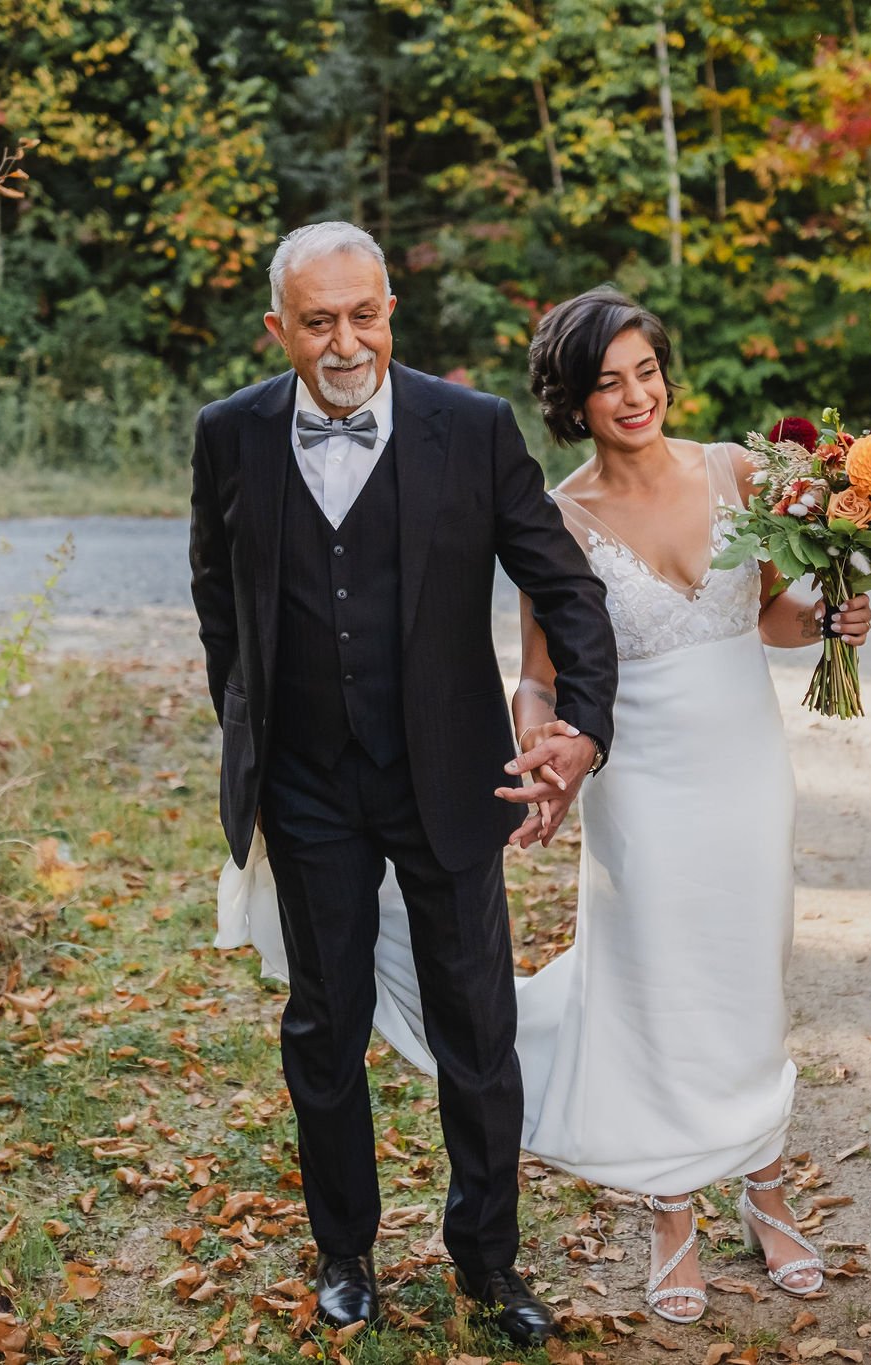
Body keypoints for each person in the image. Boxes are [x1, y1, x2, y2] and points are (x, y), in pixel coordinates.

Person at [188, 222, 617, 1344]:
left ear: (391, 313)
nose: (345, 341)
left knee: (477, 1027)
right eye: (318, 321)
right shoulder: (228, 436)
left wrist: (583, 728)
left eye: (363, 315)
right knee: (322, 1027)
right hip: (307, 787)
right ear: (277, 327)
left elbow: (563, 588)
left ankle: (486, 1262)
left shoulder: (469, 429)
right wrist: (251, 732)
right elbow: (216, 599)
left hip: (446, 775)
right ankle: (345, 1256)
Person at [501, 287, 871, 1324]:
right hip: (641, 780)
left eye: (645, 372)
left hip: (745, 771)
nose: (634, 396)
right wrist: (541, 750)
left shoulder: (736, 472)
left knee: (748, 973)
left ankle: (764, 1187)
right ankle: (671, 1209)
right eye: (607, 382)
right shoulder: (559, 516)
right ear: (573, 400)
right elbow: (537, 675)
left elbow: (769, 617)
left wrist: (831, 616)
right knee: (664, 978)